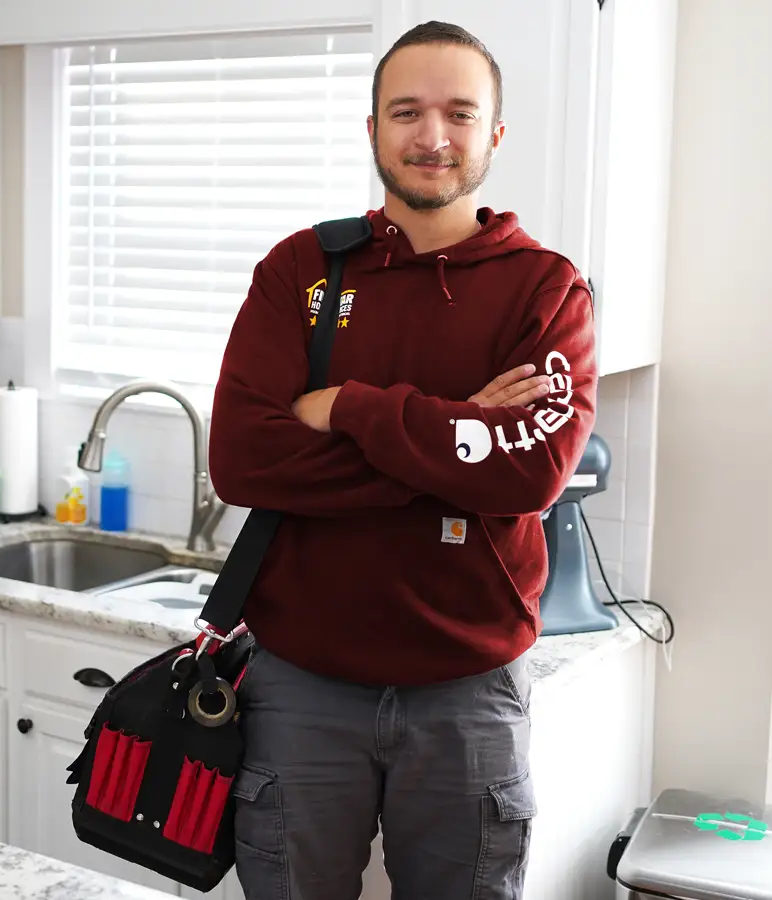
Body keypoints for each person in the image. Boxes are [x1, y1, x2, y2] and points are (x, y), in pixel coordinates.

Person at [208, 19, 597, 900]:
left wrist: (349, 408)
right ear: (373, 127)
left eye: (459, 113)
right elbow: (241, 459)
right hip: (302, 683)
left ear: (494, 134)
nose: (432, 137)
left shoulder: (545, 287)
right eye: (406, 112)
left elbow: (529, 474)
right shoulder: (302, 273)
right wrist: (453, 446)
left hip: (469, 692)